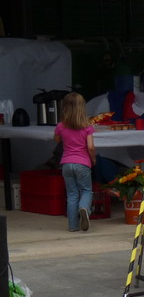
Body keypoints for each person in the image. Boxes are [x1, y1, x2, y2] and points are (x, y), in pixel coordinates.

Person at [53, 92, 95, 232]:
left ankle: (72, 226)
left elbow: (57, 140)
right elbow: (90, 147)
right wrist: (93, 159)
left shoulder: (61, 126)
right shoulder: (87, 127)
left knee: (71, 194)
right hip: (82, 163)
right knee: (86, 190)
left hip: (66, 163)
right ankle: (84, 208)